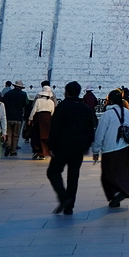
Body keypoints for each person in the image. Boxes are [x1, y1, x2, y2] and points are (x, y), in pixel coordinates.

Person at [47, 81, 97, 214]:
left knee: (53, 172)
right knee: (73, 176)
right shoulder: (85, 108)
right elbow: (91, 129)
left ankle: (64, 197)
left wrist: (51, 145)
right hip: (78, 148)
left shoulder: (62, 107)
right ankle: (69, 207)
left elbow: (54, 128)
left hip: (62, 147)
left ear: (67, 92)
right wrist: (87, 145)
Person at [92, 89, 129, 208]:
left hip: (110, 149)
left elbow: (100, 134)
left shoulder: (107, 115)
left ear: (110, 100)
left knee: (108, 175)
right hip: (125, 148)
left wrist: (96, 150)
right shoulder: (127, 113)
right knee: (123, 173)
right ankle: (122, 192)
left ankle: (116, 195)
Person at [28, 83, 57, 160]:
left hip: (38, 118)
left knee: (36, 135)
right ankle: (44, 152)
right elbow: (53, 112)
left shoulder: (38, 100)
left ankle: (37, 150)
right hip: (48, 119)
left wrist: (30, 119)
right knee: (46, 136)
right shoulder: (51, 102)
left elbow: (34, 110)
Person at [2, 80, 29, 156]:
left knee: (9, 133)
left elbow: (4, 103)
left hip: (8, 116)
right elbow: (26, 103)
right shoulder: (23, 94)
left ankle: (8, 145)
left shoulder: (8, 94)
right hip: (18, 117)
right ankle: (13, 150)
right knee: (16, 135)